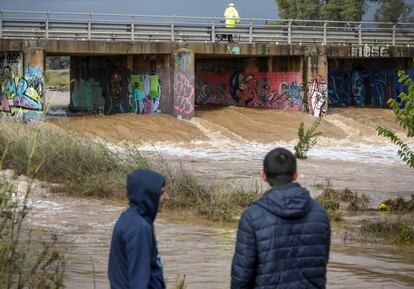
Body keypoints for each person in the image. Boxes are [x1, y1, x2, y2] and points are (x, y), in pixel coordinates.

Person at [231, 148, 331, 289]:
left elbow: (241, 276)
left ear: (263, 176)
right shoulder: (320, 214)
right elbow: (322, 262)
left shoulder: (251, 216)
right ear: (296, 175)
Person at [108, 169, 170, 289]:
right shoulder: (139, 229)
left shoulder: (128, 219)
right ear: (148, 194)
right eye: (162, 193)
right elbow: (139, 283)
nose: (167, 197)